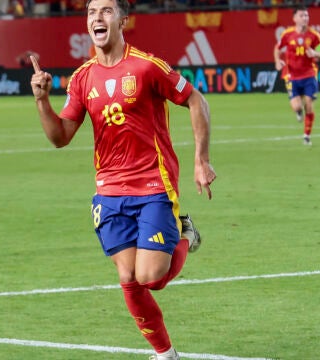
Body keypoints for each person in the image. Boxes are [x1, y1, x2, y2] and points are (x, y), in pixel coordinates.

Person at [29, 0, 216, 359]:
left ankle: (184, 233)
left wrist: (200, 159)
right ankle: (165, 354)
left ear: (123, 20)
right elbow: (60, 136)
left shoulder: (146, 67)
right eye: (91, 13)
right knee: (128, 279)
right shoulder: (83, 78)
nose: (97, 18)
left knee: (151, 278)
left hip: (152, 186)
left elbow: (195, 100)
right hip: (109, 191)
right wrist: (41, 100)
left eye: (106, 11)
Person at [273, 6, 320, 146]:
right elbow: (277, 49)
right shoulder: (287, 34)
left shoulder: (314, 36)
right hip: (291, 75)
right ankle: (298, 111)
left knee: (309, 104)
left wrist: (315, 54)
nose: (305, 18)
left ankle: (306, 136)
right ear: (295, 18)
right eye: (302, 16)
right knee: (297, 106)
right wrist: (278, 61)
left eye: (307, 16)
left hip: (309, 74)